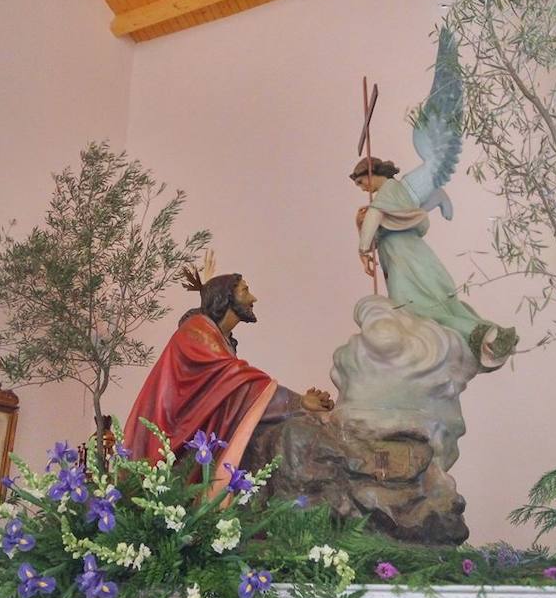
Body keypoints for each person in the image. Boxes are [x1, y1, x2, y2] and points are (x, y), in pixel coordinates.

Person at [124, 272, 334, 482]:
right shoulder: (196, 331)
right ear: (225, 298)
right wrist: (297, 402)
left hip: (194, 437)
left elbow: (231, 392)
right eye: (245, 291)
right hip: (169, 437)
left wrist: (297, 407)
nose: (253, 298)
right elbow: (236, 381)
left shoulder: (221, 339)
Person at [350, 156, 517, 371]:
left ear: (370, 173)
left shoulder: (388, 189)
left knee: (413, 311)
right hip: (411, 257)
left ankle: (487, 337)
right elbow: (401, 216)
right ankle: (487, 335)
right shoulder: (398, 194)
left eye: (361, 182)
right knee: (428, 311)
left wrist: (363, 250)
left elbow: (375, 215)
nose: (363, 188)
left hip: (406, 260)